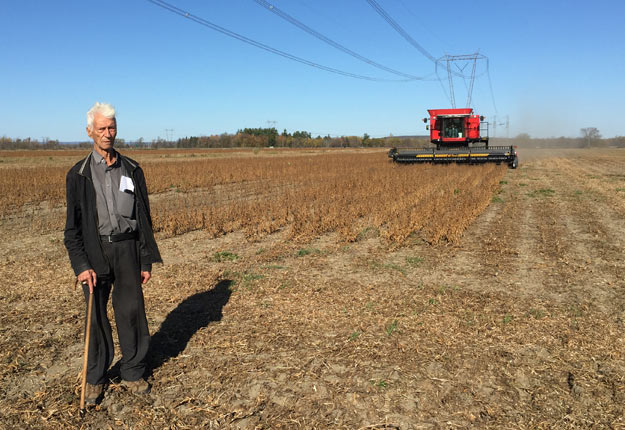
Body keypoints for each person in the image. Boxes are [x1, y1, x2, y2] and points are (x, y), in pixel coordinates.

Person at [64, 102, 162, 404]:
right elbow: (72, 230)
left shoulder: (132, 169)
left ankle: (133, 370)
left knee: (131, 312)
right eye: (102, 128)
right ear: (90, 131)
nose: (108, 133)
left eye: (112, 127)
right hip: (95, 253)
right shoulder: (78, 174)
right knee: (96, 318)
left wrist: (145, 258)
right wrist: (81, 265)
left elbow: (144, 218)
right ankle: (95, 377)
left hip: (128, 249)